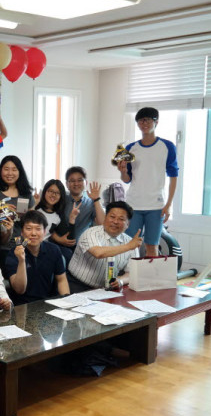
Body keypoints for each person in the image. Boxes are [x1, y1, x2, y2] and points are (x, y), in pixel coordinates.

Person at [117, 107, 179, 257]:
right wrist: (123, 171)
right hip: (133, 204)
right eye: (140, 120)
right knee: (129, 246)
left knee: (152, 247)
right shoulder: (131, 148)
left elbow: (173, 176)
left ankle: (151, 273)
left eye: (147, 120)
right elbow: (127, 179)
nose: (144, 123)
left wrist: (168, 204)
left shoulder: (167, 146)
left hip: (156, 206)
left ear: (156, 122)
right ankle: (129, 273)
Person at [67, 201, 144, 292]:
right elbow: (98, 253)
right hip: (77, 284)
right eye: (112, 217)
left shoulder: (130, 242)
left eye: (121, 219)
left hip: (107, 289)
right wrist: (128, 246)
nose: (115, 221)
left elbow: (132, 273)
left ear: (128, 224)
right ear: (105, 218)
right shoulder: (91, 233)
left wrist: (121, 280)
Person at [5, 210, 70, 303]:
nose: (33, 233)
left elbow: (61, 280)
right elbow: (19, 290)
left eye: (38, 229)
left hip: (48, 302)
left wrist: (67, 302)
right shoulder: (13, 254)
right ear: (22, 232)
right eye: (28, 229)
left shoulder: (54, 250)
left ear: (44, 232)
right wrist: (21, 260)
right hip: (22, 304)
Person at [0, 155, 34, 269]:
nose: (10, 173)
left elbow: (31, 223)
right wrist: (1, 212)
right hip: (0, 246)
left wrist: (21, 215)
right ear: (0, 171)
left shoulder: (26, 194)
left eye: (14, 169)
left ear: (20, 172)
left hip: (21, 245)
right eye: (6, 169)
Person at [63, 166, 104, 242]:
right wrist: (59, 239)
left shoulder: (91, 202)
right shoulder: (61, 199)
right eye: (72, 181)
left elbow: (102, 224)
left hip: (82, 245)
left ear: (86, 183)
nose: (76, 183)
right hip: (60, 244)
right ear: (67, 184)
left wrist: (96, 200)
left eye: (80, 180)